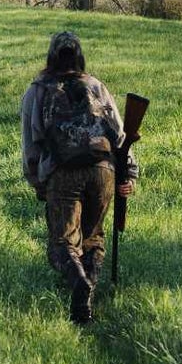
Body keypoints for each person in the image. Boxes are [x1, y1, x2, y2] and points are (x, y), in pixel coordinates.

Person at [20, 30, 136, 325]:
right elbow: (121, 134)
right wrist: (129, 173)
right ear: (79, 56)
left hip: (64, 171)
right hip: (104, 169)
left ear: (51, 56)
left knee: (63, 244)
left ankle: (79, 284)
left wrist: (38, 181)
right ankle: (87, 296)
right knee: (93, 238)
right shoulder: (96, 85)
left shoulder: (38, 90)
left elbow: (30, 144)